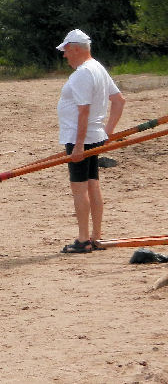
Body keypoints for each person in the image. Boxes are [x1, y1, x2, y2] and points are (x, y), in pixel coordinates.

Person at [55, 29, 126, 253]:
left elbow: (83, 111)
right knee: (93, 184)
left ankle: (84, 239)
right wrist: (108, 132)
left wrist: (77, 145)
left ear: (76, 48)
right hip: (94, 137)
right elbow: (119, 101)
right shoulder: (97, 68)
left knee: (80, 188)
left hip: (81, 138)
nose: (64, 56)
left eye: (66, 51)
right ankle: (96, 236)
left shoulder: (83, 73)